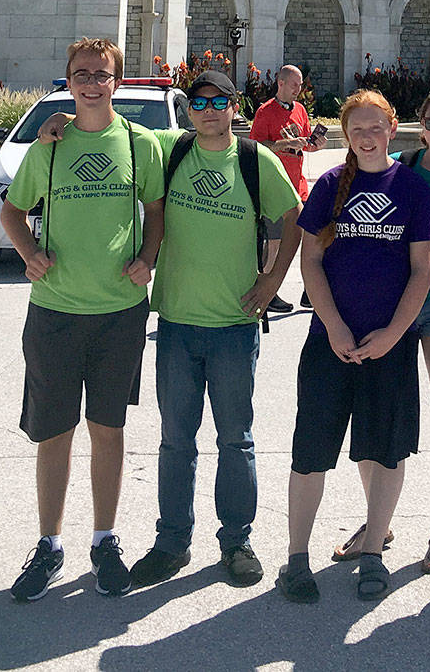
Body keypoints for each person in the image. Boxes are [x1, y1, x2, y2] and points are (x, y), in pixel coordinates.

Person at [38, 65, 302, 589]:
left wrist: (272, 281)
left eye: (218, 103)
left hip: (233, 324)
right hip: (177, 324)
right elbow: (108, 124)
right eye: (198, 104)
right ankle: (172, 542)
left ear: (234, 108)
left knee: (236, 440)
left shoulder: (254, 160)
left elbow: (294, 216)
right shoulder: (168, 149)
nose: (208, 112)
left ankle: (236, 541)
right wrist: (62, 119)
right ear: (188, 111)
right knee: (176, 440)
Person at [1, 37, 165, 602]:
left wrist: (147, 258)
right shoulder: (48, 146)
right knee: (54, 432)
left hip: (119, 313)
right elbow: (11, 210)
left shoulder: (140, 143)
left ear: (118, 81)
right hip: (54, 311)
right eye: (81, 74)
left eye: (102, 73)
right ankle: (49, 545)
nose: (92, 82)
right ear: (67, 82)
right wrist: (29, 255)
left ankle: (104, 539)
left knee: (108, 430)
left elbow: (156, 208)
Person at [276, 90, 430, 604]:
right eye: (356, 128)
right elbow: (311, 263)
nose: (366, 137)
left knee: (384, 449)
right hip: (330, 342)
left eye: (375, 127)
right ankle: (296, 558)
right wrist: (335, 326)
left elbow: (421, 269)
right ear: (346, 133)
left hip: (390, 345)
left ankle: (373, 553)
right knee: (311, 452)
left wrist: (392, 334)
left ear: (392, 128)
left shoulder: (410, 188)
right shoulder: (328, 186)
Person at [335, 87, 430, 572]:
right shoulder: (398, 167)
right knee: (373, 409)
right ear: (418, 125)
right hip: (388, 301)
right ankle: (379, 521)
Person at [249, 64, 325, 310]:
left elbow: (305, 142)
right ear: (280, 83)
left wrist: (315, 144)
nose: (298, 89)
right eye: (294, 84)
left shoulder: (300, 110)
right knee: (275, 241)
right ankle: (269, 292)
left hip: (299, 186)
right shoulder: (265, 111)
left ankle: (309, 292)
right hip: (274, 186)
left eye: (300, 85)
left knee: (314, 238)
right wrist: (285, 143)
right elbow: (256, 146)